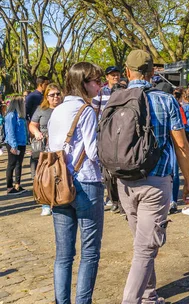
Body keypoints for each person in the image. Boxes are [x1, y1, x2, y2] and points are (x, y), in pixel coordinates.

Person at [118, 50, 189, 304]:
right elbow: (181, 145)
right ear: (153, 73)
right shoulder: (166, 100)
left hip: (124, 181)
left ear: (127, 72)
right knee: (145, 249)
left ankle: (149, 295)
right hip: (157, 180)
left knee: (141, 244)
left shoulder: (115, 98)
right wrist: (188, 181)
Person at [47, 62, 104, 303]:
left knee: (63, 255)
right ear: (83, 83)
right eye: (95, 81)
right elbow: (93, 152)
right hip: (86, 183)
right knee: (89, 253)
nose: (99, 86)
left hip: (57, 185)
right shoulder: (86, 111)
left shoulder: (57, 110)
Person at [91, 65, 122, 214]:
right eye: (112, 75)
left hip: (122, 133)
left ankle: (121, 200)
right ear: (107, 77)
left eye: (117, 74)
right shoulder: (101, 93)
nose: (115, 77)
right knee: (107, 169)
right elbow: (94, 111)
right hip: (105, 134)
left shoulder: (125, 91)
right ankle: (112, 198)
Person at [29, 83, 63, 215]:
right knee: (45, 175)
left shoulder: (65, 109)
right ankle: (45, 203)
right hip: (45, 146)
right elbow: (32, 125)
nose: (56, 97)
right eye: (52, 95)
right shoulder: (41, 109)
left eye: (58, 94)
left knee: (61, 174)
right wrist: (37, 133)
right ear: (46, 97)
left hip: (61, 147)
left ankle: (60, 199)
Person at [5, 96, 28, 195]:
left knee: (19, 164)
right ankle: (9, 187)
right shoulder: (11, 115)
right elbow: (10, 132)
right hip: (13, 143)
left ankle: (17, 184)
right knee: (12, 164)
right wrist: (13, 145)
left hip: (21, 143)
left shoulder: (20, 116)